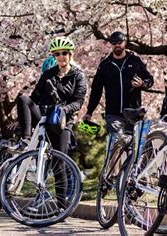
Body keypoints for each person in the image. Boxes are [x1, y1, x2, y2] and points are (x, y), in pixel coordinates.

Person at [18, 36, 87, 209]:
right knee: (23, 99)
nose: (61, 57)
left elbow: (78, 102)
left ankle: (62, 206)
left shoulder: (78, 76)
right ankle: (25, 139)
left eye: (64, 53)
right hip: (44, 116)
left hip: (62, 121)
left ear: (70, 54)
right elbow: (34, 97)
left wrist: (65, 109)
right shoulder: (48, 74)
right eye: (57, 54)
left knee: (59, 162)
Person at [83, 30, 154, 141]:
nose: (116, 45)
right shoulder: (105, 65)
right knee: (117, 141)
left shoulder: (135, 61)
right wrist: (89, 111)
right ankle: (114, 158)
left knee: (134, 146)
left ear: (125, 43)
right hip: (113, 113)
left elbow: (149, 79)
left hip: (133, 112)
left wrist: (142, 84)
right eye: (114, 42)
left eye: (119, 42)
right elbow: (96, 90)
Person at [16, 55, 57, 141]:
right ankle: (26, 139)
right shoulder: (42, 83)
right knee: (23, 99)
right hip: (42, 118)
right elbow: (32, 100)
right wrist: (18, 120)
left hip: (58, 120)